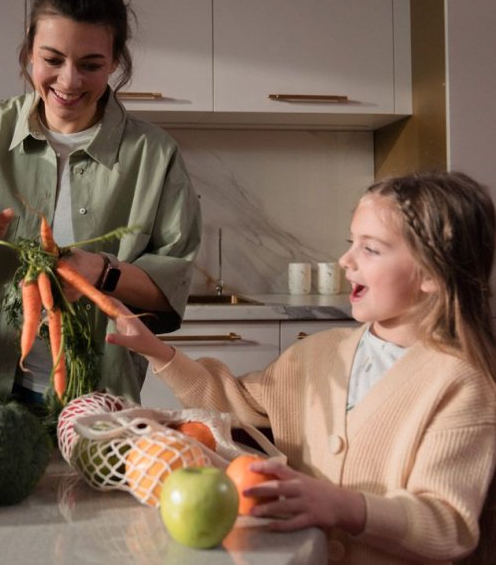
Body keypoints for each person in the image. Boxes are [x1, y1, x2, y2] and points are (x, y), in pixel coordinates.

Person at [107, 171, 496, 563]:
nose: (345, 260)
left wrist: (345, 506)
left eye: (371, 249)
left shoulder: (462, 384)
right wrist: (157, 350)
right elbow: (235, 401)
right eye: (351, 243)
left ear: (430, 274)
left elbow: (449, 525)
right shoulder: (319, 354)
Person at [0, 0, 201, 403]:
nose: (69, 81)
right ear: (28, 56)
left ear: (115, 63)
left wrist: (102, 272)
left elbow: (170, 288)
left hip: (102, 391)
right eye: (52, 60)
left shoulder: (154, 155)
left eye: (90, 65)